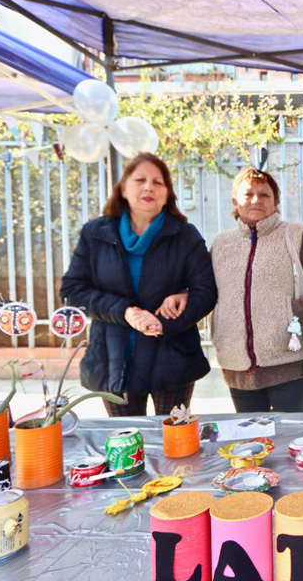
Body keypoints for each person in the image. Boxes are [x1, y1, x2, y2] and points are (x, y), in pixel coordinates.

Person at [60, 153, 217, 416]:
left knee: (173, 441)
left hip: (172, 359)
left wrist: (166, 319)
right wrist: (126, 312)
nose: (148, 187)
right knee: (126, 444)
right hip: (114, 361)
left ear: (167, 194)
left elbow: (206, 292)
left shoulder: (185, 236)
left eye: (158, 182)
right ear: (123, 188)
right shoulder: (95, 234)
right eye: (140, 180)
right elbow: (73, 291)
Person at [210, 168, 303, 413]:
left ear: (276, 202)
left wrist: (289, 315)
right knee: (252, 441)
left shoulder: (295, 235)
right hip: (237, 367)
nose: (256, 200)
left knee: (293, 436)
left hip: (289, 364)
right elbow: (206, 292)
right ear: (235, 200)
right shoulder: (220, 244)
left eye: (264, 195)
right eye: (248, 194)